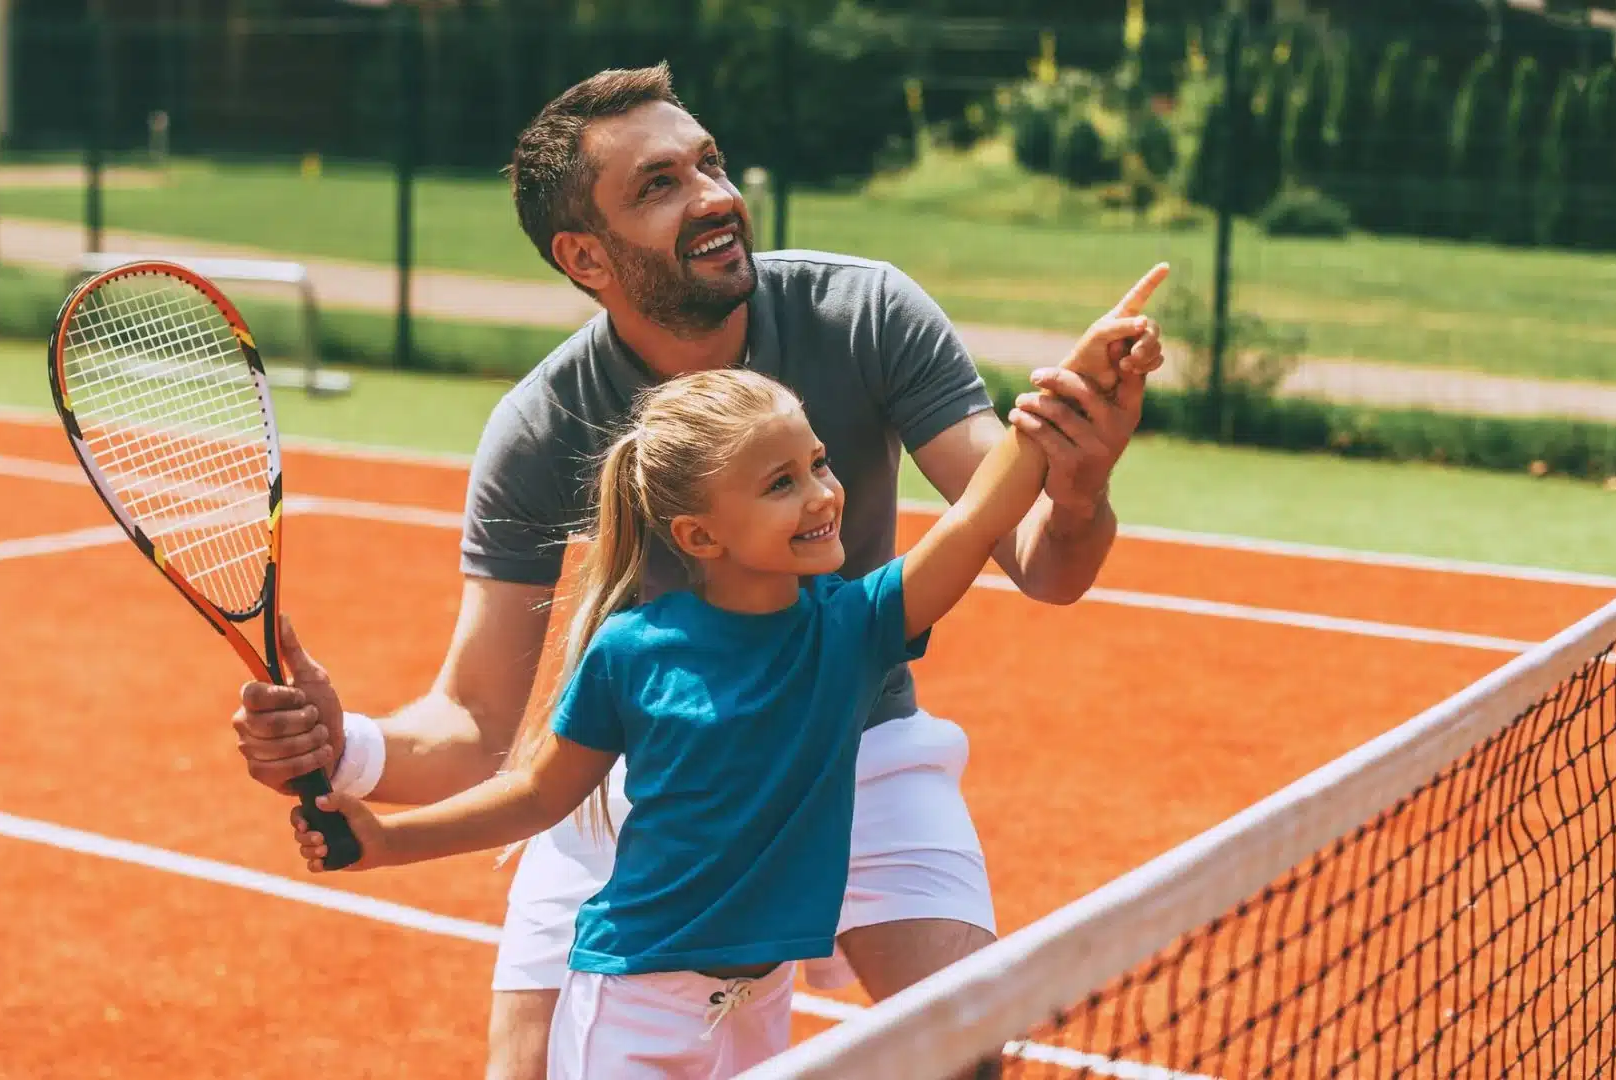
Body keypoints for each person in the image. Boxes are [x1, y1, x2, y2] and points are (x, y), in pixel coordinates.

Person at [232, 62, 1167, 1080]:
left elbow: (1038, 558)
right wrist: (348, 746)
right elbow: (477, 727)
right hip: (649, 771)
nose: (716, 197)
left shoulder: (865, 314)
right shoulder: (542, 428)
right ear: (585, 256)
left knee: (965, 1048)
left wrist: (1077, 492)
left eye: (708, 162)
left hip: (856, 741)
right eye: (659, 184)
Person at [293, 346, 1155, 1076]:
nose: (822, 494)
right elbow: (537, 796)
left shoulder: (854, 627)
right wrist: (390, 841)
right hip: (634, 1010)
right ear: (700, 536)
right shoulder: (631, 652)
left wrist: (1051, 410)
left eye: (819, 463)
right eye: (781, 482)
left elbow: (972, 522)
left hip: (755, 1006)